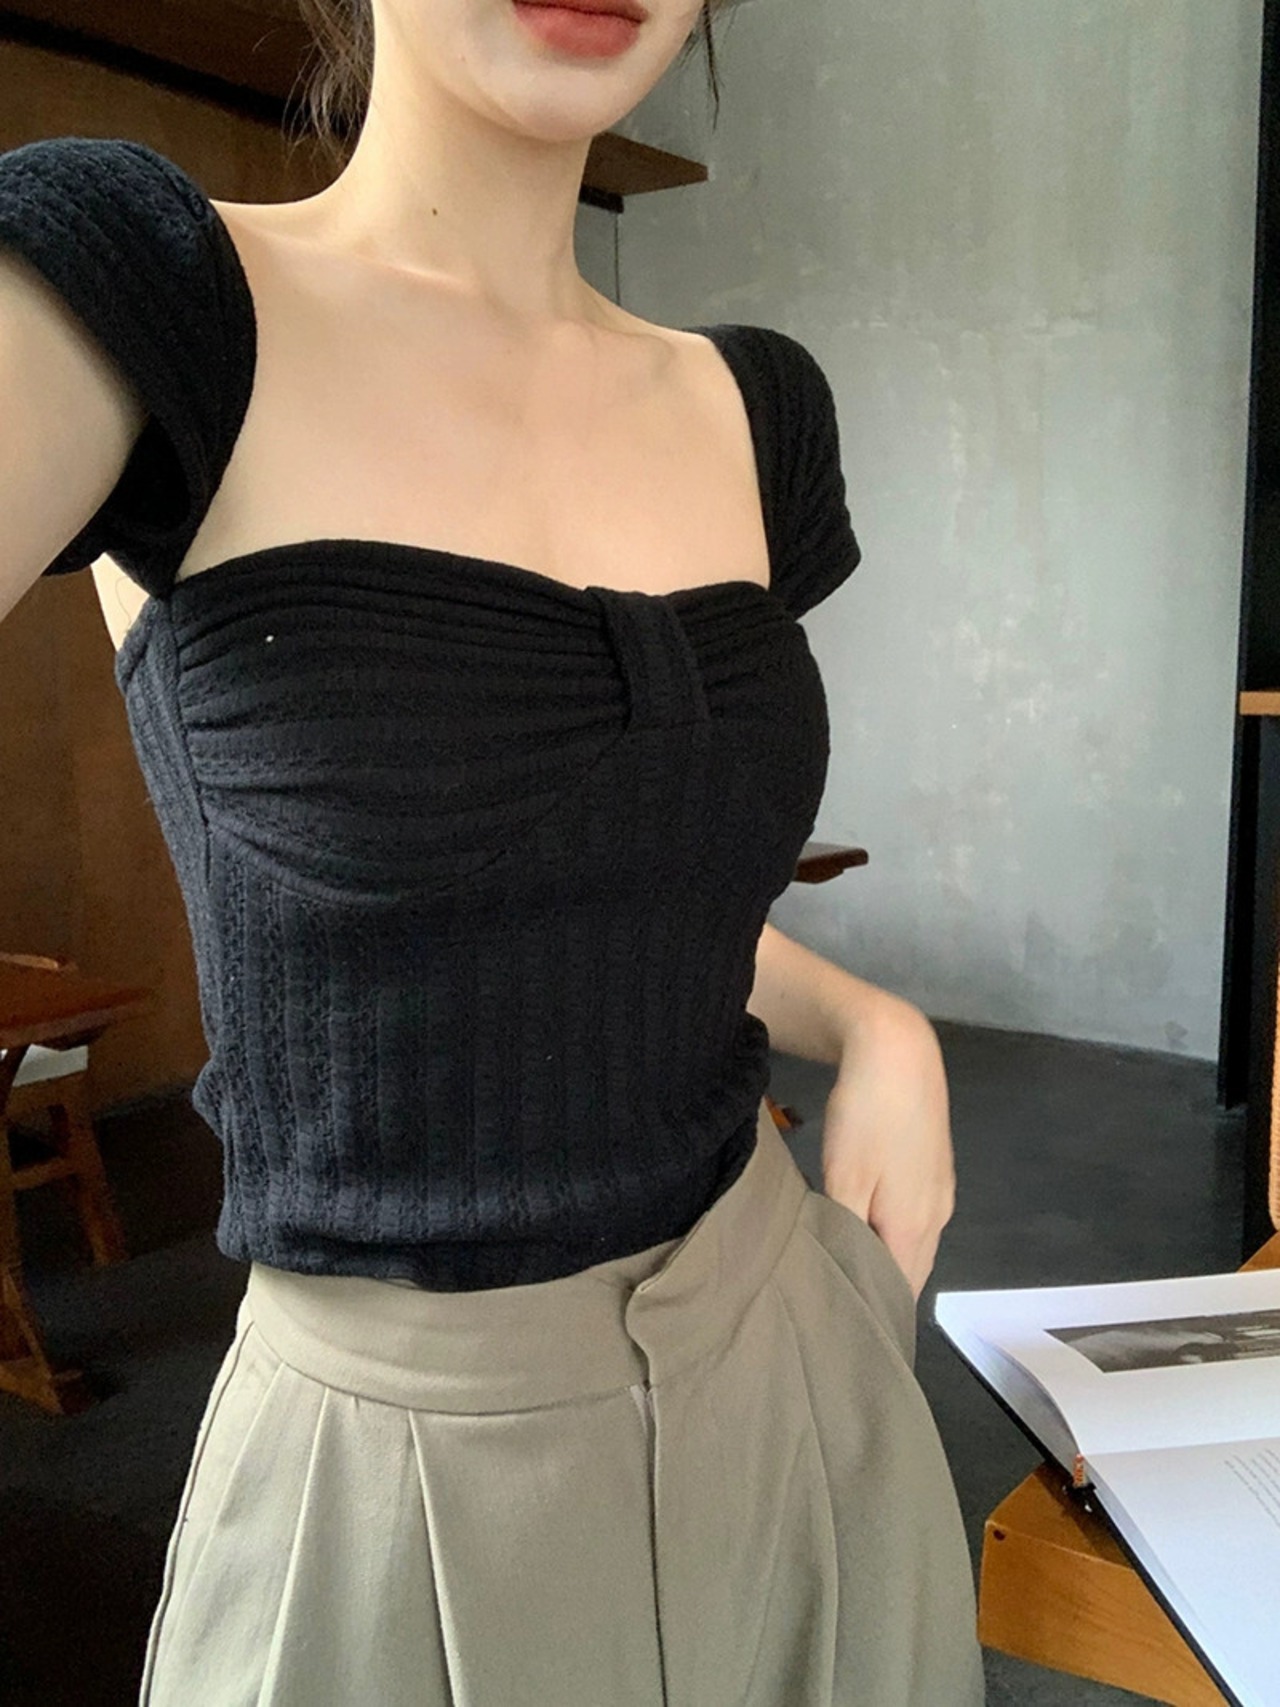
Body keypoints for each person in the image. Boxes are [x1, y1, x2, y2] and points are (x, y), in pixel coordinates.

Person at [0, 1, 986, 1701]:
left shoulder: (760, 408)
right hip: (399, 1487)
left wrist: (873, 1025)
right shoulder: (144, 295)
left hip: (795, 1384)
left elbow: (614, 897)